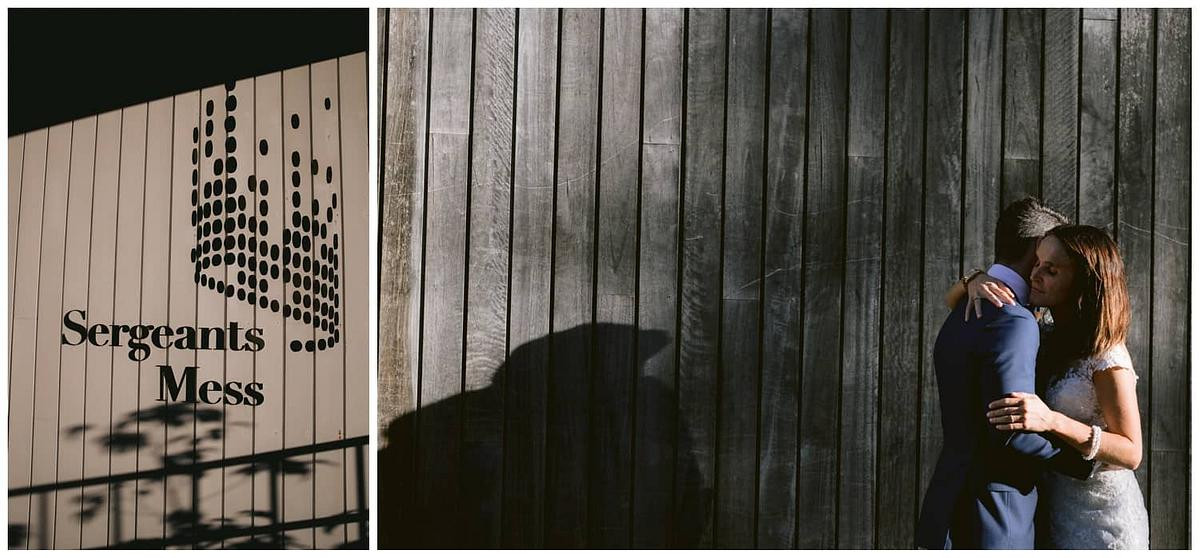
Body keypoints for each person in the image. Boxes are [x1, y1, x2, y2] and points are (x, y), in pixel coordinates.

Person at [916, 197, 1094, 550]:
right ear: (1035, 251)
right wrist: (1087, 464)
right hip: (995, 517)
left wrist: (973, 278)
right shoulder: (1014, 319)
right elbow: (1012, 429)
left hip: (948, 505)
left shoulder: (964, 307)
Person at [957, 224, 1149, 549]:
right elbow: (953, 303)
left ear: (1083, 282)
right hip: (1054, 512)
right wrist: (974, 281)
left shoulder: (1108, 355)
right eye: (1037, 263)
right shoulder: (1045, 332)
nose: (1036, 275)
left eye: (1052, 270)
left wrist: (1050, 420)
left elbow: (1132, 453)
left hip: (1103, 523)